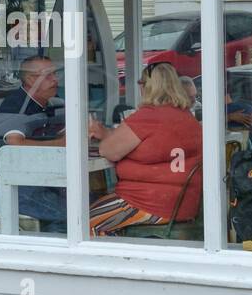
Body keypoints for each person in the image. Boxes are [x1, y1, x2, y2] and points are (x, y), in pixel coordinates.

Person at [87, 62, 203, 235]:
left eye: (141, 83)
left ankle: (111, 261)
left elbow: (108, 151)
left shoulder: (149, 116)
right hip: (182, 204)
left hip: (146, 203)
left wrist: (103, 135)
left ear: (148, 86)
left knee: (81, 223)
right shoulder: (186, 117)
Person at [0, 56, 67, 232]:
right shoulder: (15, 105)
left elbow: (67, 133)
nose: (55, 79)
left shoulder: (54, 102)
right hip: (12, 188)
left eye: (55, 74)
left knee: (89, 206)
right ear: (30, 79)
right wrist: (59, 144)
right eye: (48, 75)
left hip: (44, 183)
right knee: (74, 214)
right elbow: (14, 143)